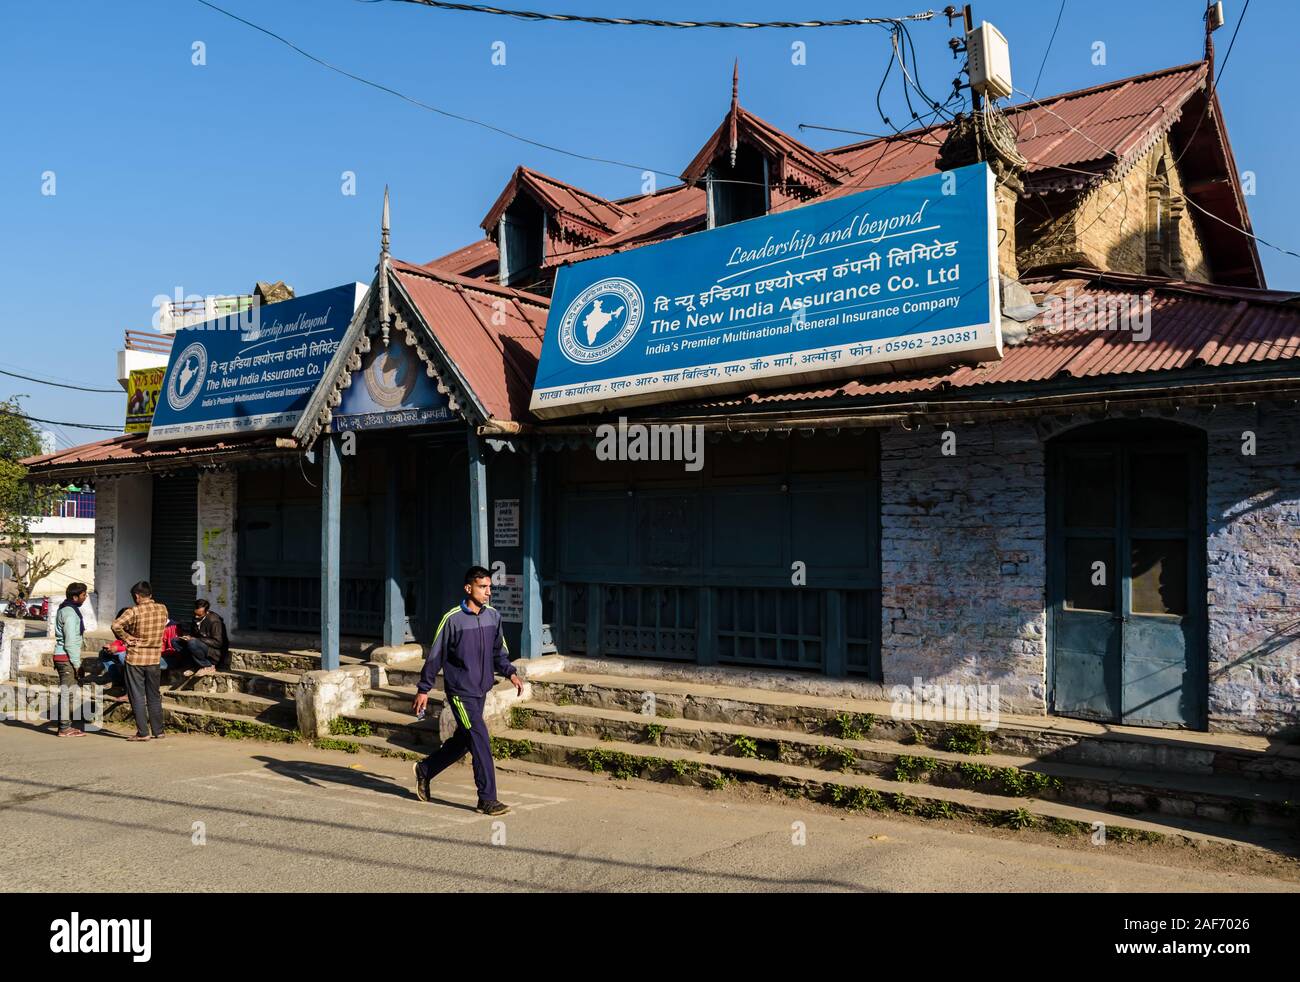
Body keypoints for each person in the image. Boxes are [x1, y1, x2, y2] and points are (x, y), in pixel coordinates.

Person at [411, 566, 522, 816]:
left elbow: (499, 653)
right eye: (483, 587)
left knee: (463, 742)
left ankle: (425, 770)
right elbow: (435, 656)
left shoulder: (493, 616)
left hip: (481, 689)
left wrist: (511, 672)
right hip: (461, 692)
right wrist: (424, 689)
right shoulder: (452, 619)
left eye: (490, 587)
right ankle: (487, 799)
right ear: (468, 588)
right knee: (480, 739)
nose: (488, 593)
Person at [111, 581, 169, 743]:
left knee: (136, 695)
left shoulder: (134, 611)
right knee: (154, 695)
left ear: (137, 596)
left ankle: (143, 732)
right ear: (150, 594)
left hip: (136, 658)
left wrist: (128, 638)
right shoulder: (162, 608)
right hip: (154, 658)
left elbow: (116, 625)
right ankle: (159, 731)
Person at [51, 582, 88, 737]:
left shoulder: (66, 609)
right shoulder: (70, 613)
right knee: (68, 693)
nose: (85, 597)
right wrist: (77, 664)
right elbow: (70, 641)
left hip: (62, 656)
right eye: (83, 595)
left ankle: (65, 726)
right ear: (75, 597)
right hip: (66, 657)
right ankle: (65, 728)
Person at [173, 599, 228, 677]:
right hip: (199, 644)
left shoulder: (214, 621)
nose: (196, 616)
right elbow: (193, 634)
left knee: (192, 643)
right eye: (195, 614)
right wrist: (188, 637)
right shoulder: (195, 618)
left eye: (199, 615)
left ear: (206, 612)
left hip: (213, 652)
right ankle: (194, 665)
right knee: (175, 641)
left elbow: (218, 643)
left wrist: (196, 639)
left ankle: (208, 666)